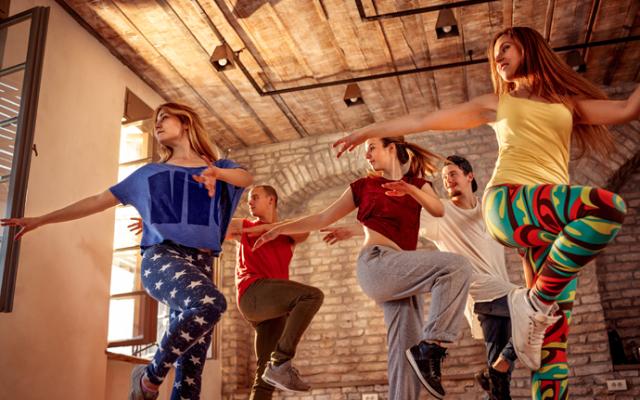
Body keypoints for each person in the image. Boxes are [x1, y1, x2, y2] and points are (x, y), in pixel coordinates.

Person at [332, 26, 637, 399]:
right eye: (495, 53)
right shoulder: (499, 102)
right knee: (606, 206)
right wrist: (369, 131)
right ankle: (534, 303)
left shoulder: (566, 102)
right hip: (508, 203)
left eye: (505, 47)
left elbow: (626, 108)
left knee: (551, 350)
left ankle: (535, 308)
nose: (498, 57)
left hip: (548, 227)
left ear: (529, 46)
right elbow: (425, 119)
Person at [1, 102, 253, 400]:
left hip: (201, 263)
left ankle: (157, 380)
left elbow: (245, 179)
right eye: (154, 120)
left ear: (186, 123)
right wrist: (41, 219)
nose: (156, 124)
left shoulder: (220, 167)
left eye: (163, 118)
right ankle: (148, 376)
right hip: (163, 258)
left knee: (191, 371)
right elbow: (96, 200)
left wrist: (216, 174)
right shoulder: (148, 174)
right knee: (211, 303)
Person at [251, 136, 473, 400]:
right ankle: (432, 347)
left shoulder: (418, 184)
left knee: (405, 354)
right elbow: (322, 217)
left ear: (392, 148)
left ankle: (420, 359)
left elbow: (437, 210)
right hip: (377, 263)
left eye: (371, 148)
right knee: (456, 266)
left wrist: (410, 190)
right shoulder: (364, 186)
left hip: (401, 275)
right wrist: (278, 229)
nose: (366, 155)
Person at [322, 155, 519, 399]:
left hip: (500, 290)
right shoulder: (441, 212)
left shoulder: (489, 210)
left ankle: (495, 374)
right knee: (538, 307)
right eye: (445, 177)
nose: (448, 180)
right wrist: (351, 231)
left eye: (453, 174)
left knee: (503, 384)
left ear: (470, 176)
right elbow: (393, 220)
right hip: (481, 292)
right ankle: (491, 369)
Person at [226, 185, 323, 398]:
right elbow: (212, 227)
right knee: (312, 295)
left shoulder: (288, 233)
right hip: (253, 295)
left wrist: (269, 229)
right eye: (249, 199)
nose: (249, 203)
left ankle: (277, 366)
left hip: (274, 311)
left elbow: (304, 231)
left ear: (271, 200)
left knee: (265, 379)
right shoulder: (244, 226)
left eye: (255, 198)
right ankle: (282, 360)